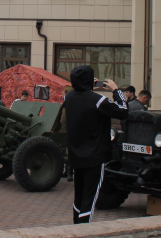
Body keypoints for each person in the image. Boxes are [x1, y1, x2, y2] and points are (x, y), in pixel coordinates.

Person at [64, 65, 128, 224]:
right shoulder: (98, 100)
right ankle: (84, 230)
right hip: (94, 157)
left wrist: (86, 85)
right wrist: (116, 90)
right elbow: (123, 110)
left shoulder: (68, 97)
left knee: (78, 195)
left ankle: (76, 227)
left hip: (75, 155)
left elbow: (81, 95)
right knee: (90, 197)